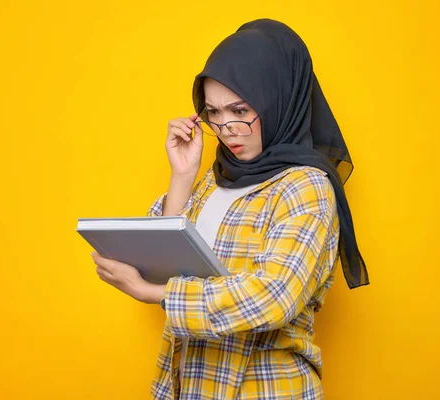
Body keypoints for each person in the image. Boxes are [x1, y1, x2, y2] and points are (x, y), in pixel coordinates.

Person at [91, 18, 369, 399]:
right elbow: (165, 262)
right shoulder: (214, 178)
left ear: (278, 101)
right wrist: (182, 176)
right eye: (214, 113)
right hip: (186, 384)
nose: (225, 128)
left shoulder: (305, 186)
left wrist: (153, 293)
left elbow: (273, 296)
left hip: (263, 389)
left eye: (239, 110)